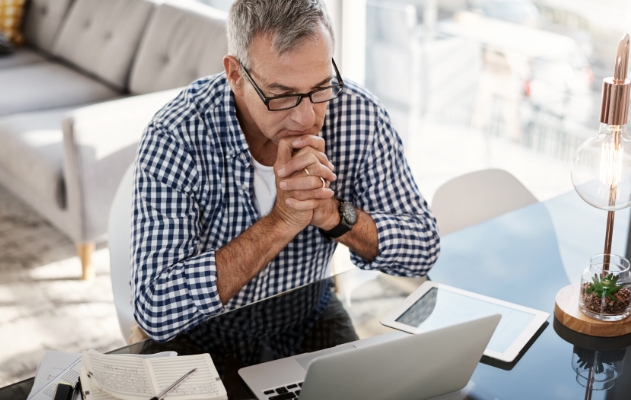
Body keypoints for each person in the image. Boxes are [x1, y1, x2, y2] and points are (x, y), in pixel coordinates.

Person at [131, 0, 440, 343]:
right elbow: (154, 308)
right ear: (236, 74)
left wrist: (334, 214)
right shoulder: (177, 134)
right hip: (205, 334)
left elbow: (423, 248)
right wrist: (281, 222)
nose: (308, 119)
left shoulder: (360, 115)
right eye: (282, 96)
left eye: (321, 87)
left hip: (308, 316)